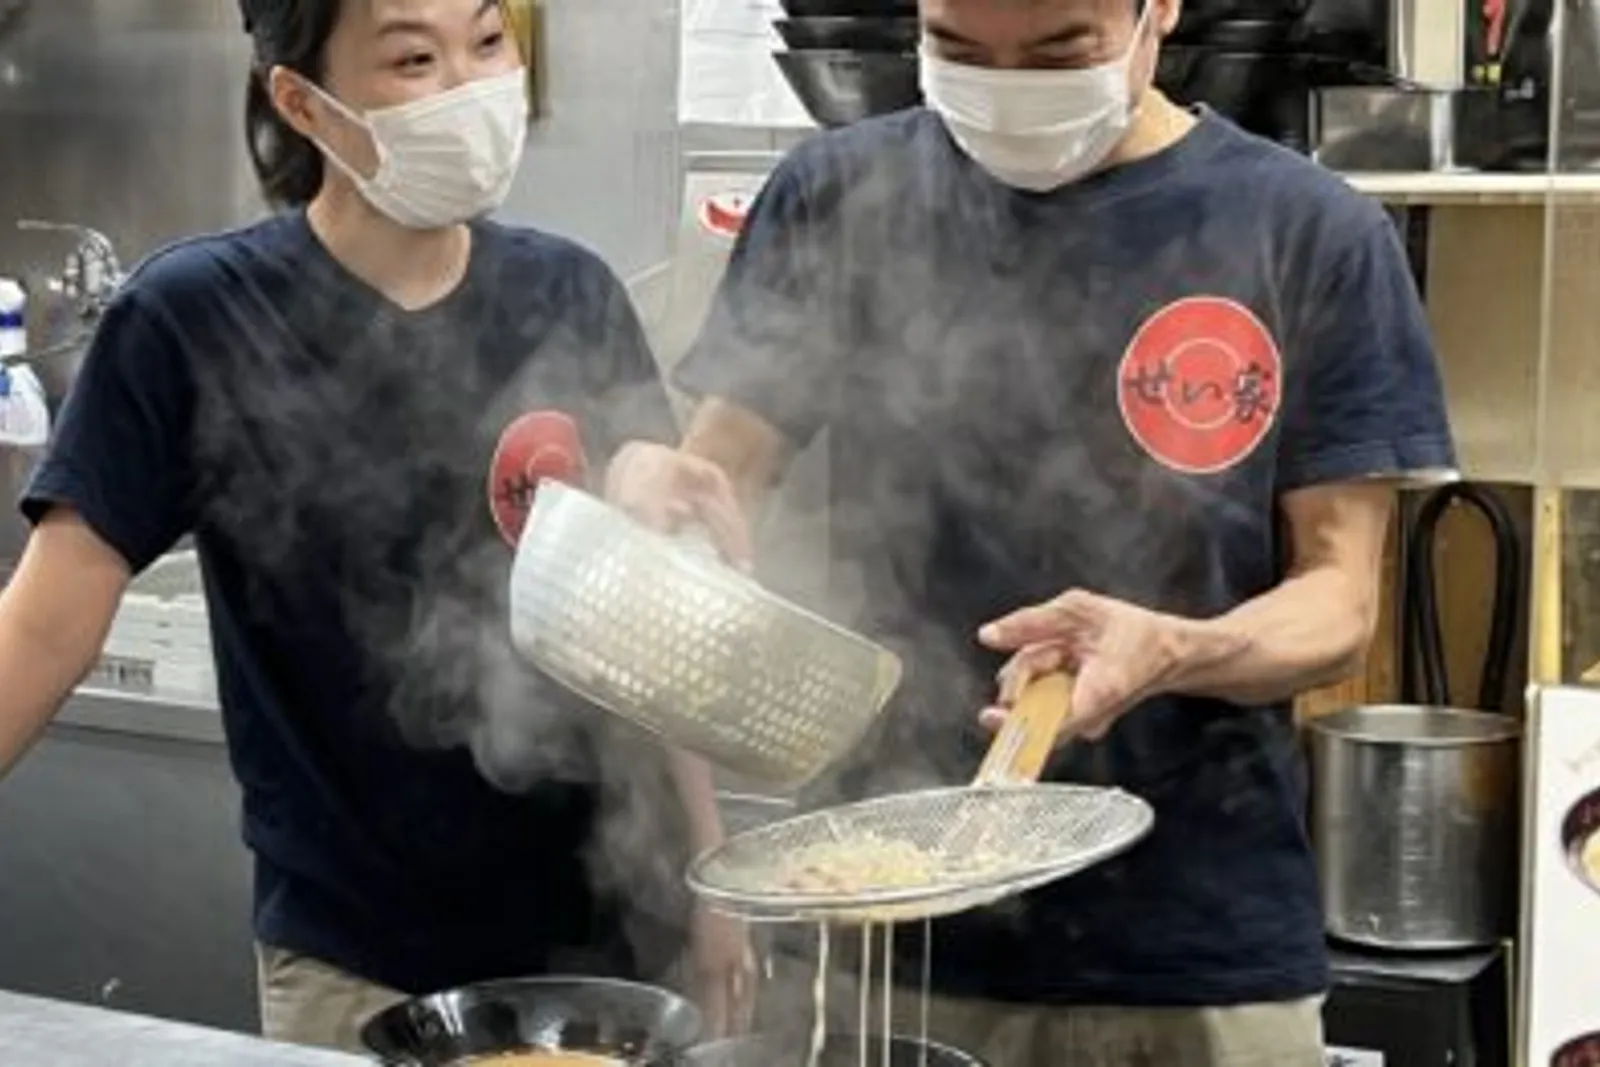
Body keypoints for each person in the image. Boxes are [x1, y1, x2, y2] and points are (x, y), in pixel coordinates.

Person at [605, 0, 1457, 1064]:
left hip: (1197, 948)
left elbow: (1340, 601)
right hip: (891, 929)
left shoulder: (1309, 228)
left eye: (1061, 50)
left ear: (1161, 13)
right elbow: (716, 487)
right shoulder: (834, 196)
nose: (1007, 87)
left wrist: (1175, 648)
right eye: (957, 49)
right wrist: (659, 503)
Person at [0, 0, 750, 1051]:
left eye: (488, 44)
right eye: (412, 57)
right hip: (358, 962)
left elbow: (649, 625)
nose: (470, 85)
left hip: (613, 945)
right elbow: (40, 628)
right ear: (302, 101)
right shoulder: (192, 319)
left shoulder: (568, 292)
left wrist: (711, 874)